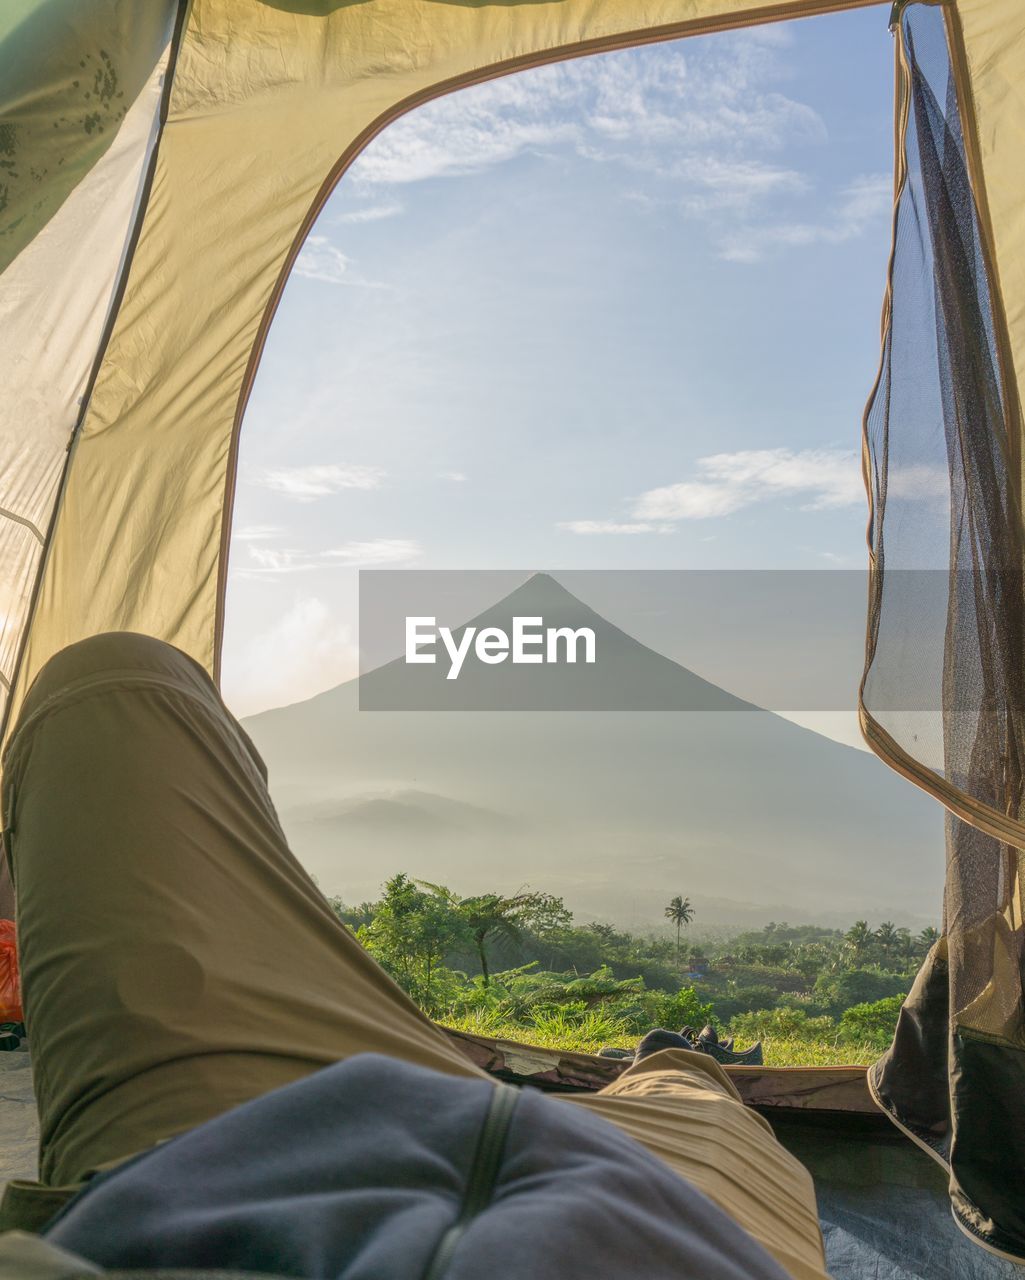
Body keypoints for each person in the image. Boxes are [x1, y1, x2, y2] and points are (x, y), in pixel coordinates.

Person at [0, 633, 829, 1279]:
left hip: (205, 1161)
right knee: (689, 1099)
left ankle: (661, 1069)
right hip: (366, 1132)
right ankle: (673, 1066)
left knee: (109, 678)